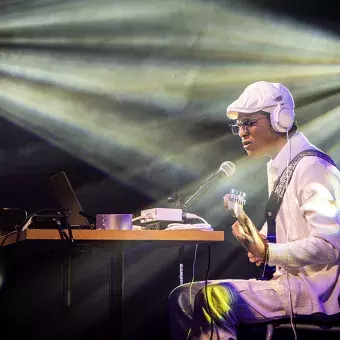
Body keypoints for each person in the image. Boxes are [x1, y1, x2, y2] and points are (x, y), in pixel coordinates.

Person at [169, 81, 340, 339]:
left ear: (280, 119)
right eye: (238, 125)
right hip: (286, 284)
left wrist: (269, 251)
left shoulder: (313, 168)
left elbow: (330, 245)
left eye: (248, 123)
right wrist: (260, 241)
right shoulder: (279, 166)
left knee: (213, 298)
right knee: (183, 296)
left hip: (315, 292)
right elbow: (288, 230)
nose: (241, 132)